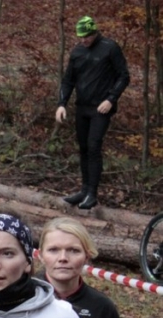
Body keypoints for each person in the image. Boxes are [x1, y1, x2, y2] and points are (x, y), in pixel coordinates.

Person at [56, 16, 130, 210]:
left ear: (94, 32)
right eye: (80, 36)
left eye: (87, 36)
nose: (84, 40)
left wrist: (111, 99)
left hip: (101, 107)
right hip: (82, 106)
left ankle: (92, 193)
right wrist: (62, 104)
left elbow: (123, 76)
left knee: (93, 146)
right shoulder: (77, 52)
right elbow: (68, 80)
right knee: (83, 147)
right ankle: (84, 189)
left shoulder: (110, 48)